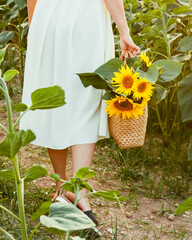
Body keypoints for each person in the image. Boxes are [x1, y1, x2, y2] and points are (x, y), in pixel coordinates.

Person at [20, 0, 140, 225]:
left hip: (47, 17)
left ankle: (61, 189)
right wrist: (124, 31)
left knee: (54, 99)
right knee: (86, 102)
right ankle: (79, 192)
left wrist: (34, 24)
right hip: (87, 17)